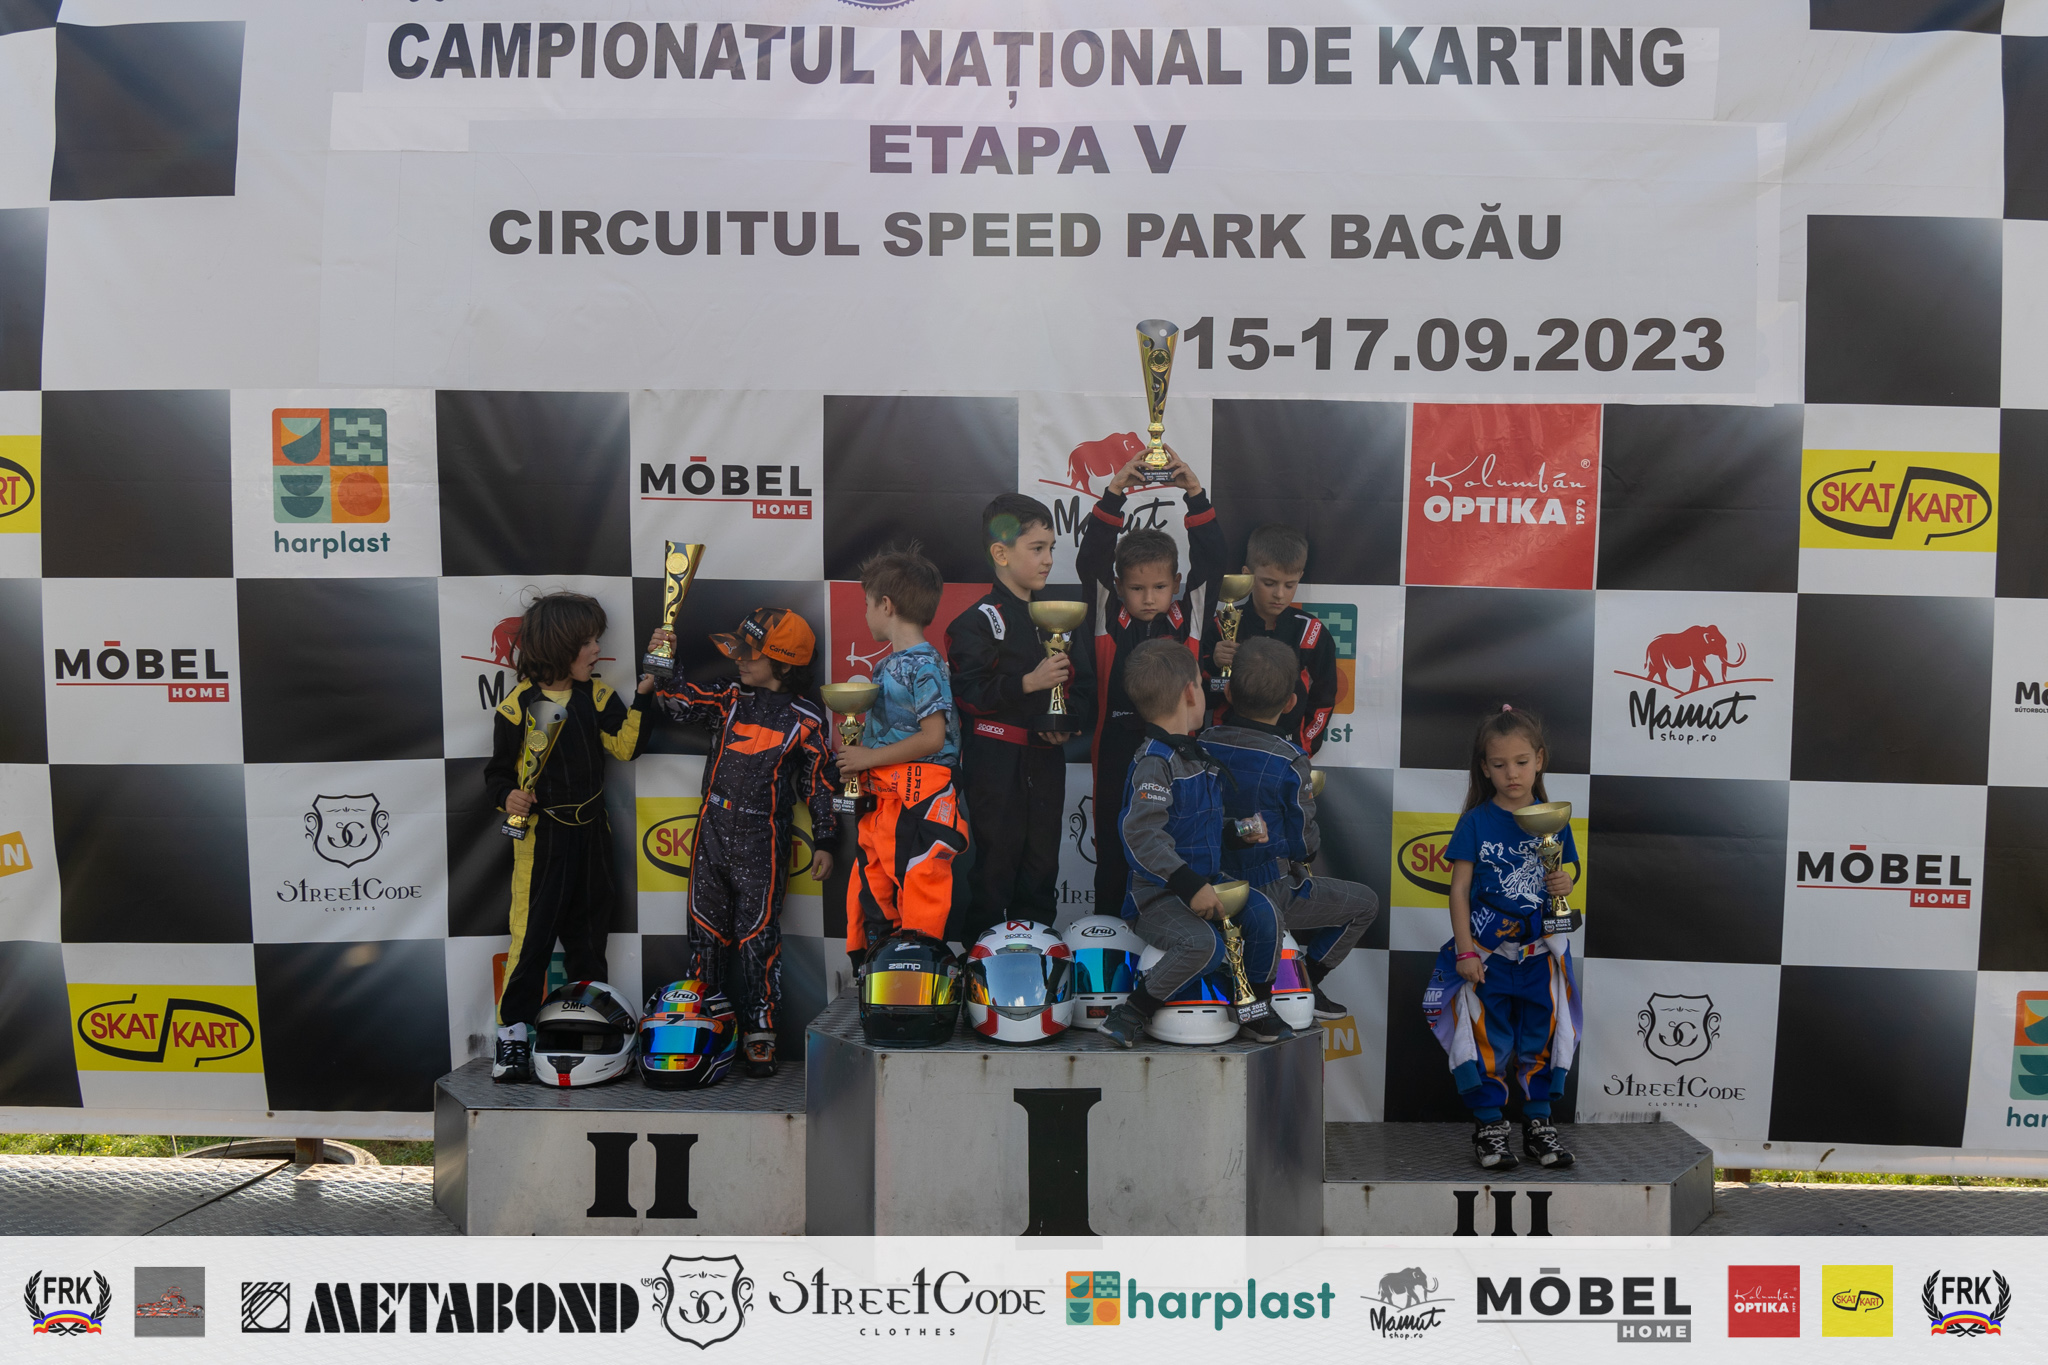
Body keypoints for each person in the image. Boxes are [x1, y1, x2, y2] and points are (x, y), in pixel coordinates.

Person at [645, 606, 838, 1078]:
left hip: (762, 835)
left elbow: (818, 783)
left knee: (758, 939)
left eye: (751, 654)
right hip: (711, 827)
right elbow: (679, 702)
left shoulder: (807, 718)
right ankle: (698, 1028)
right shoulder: (730, 696)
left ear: (784, 663)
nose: (739, 660)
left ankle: (760, 1033)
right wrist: (664, 660)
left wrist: (825, 839)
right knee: (704, 936)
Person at [486, 591, 652, 1083]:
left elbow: (626, 747)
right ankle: (513, 1036)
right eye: (588, 642)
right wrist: (509, 797)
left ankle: (587, 1035)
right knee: (531, 942)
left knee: (588, 941)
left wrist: (644, 696)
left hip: (593, 836)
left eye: (597, 640)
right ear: (559, 646)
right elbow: (497, 775)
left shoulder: (596, 695)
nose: (597, 650)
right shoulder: (516, 707)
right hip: (542, 841)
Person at [1098, 639, 1289, 1048]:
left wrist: (1238, 833)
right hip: (1157, 898)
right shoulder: (1155, 762)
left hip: (1206, 883)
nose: (1204, 694)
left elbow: (1201, 828)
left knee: (1266, 916)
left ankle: (1253, 1007)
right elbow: (1141, 836)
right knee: (1204, 945)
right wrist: (1188, 885)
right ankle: (1132, 1012)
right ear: (1190, 692)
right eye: (1202, 686)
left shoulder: (1193, 755)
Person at [1422, 705, 1581, 1171]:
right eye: (1499, 764)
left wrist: (1566, 881)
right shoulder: (1475, 821)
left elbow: (1568, 872)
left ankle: (1538, 1124)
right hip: (1488, 956)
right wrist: (1465, 951)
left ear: (1540, 760)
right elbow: (1459, 890)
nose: (1512, 773)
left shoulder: (1554, 818)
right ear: (1484, 768)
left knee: (1541, 1038)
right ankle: (1490, 1126)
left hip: (1540, 957)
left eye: (1521, 762)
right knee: (1486, 1040)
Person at [1075, 448, 1227, 920]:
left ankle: (1178, 944)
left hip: (1180, 756)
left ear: (1176, 583)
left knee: (1180, 849)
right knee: (1114, 855)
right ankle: (1110, 944)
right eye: (1136, 589)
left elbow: (1213, 560)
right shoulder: (1107, 617)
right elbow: (1091, 561)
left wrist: (1195, 494)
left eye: (1159, 588)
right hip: (1115, 749)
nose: (1148, 598)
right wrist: (1114, 493)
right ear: (1119, 587)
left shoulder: (1190, 618)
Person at [1201, 636, 1378, 1019]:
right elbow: (1303, 844)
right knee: (1366, 904)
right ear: (1291, 703)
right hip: (1269, 890)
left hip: (1203, 887)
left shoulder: (1201, 743)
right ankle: (1307, 980)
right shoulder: (1290, 759)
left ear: (1227, 692)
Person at [945, 493, 1094, 939]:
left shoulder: (1062, 618)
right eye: (1037, 548)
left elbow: (1085, 688)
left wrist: (1066, 723)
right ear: (1001, 553)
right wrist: (1026, 683)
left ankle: (1038, 966)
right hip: (994, 764)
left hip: (1046, 762)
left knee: (1042, 870)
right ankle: (981, 972)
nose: (1048, 560)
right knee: (994, 871)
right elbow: (968, 694)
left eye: (1051, 548)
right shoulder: (976, 621)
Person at [833, 546, 968, 965]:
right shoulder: (887, 666)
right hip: (884, 800)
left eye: (867, 603)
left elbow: (933, 738)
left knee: (920, 891)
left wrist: (866, 760)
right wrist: (857, 751)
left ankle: (916, 972)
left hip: (921, 799)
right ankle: (875, 970)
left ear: (886, 605)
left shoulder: (925, 665)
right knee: (873, 892)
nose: (866, 613)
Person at [1199, 523, 1338, 755]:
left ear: (1300, 577)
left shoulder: (1311, 632)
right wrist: (1214, 665)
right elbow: (1202, 696)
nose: (1279, 594)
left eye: (1290, 585)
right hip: (1227, 749)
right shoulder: (1221, 626)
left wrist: (1305, 746)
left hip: (1286, 750)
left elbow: (1324, 697)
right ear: (1247, 575)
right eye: (1269, 583)